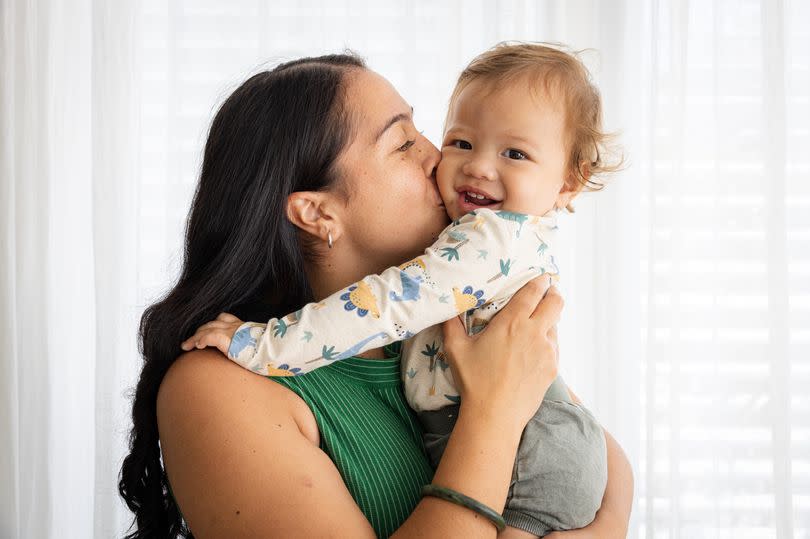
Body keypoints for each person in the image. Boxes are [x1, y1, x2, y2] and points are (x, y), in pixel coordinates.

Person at [118, 53, 634, 538]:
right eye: (404, 143)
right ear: (318, 213)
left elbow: (603, 461)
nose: (440, 158)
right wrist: (492, 413)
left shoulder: (434, 323)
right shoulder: (216, 387)